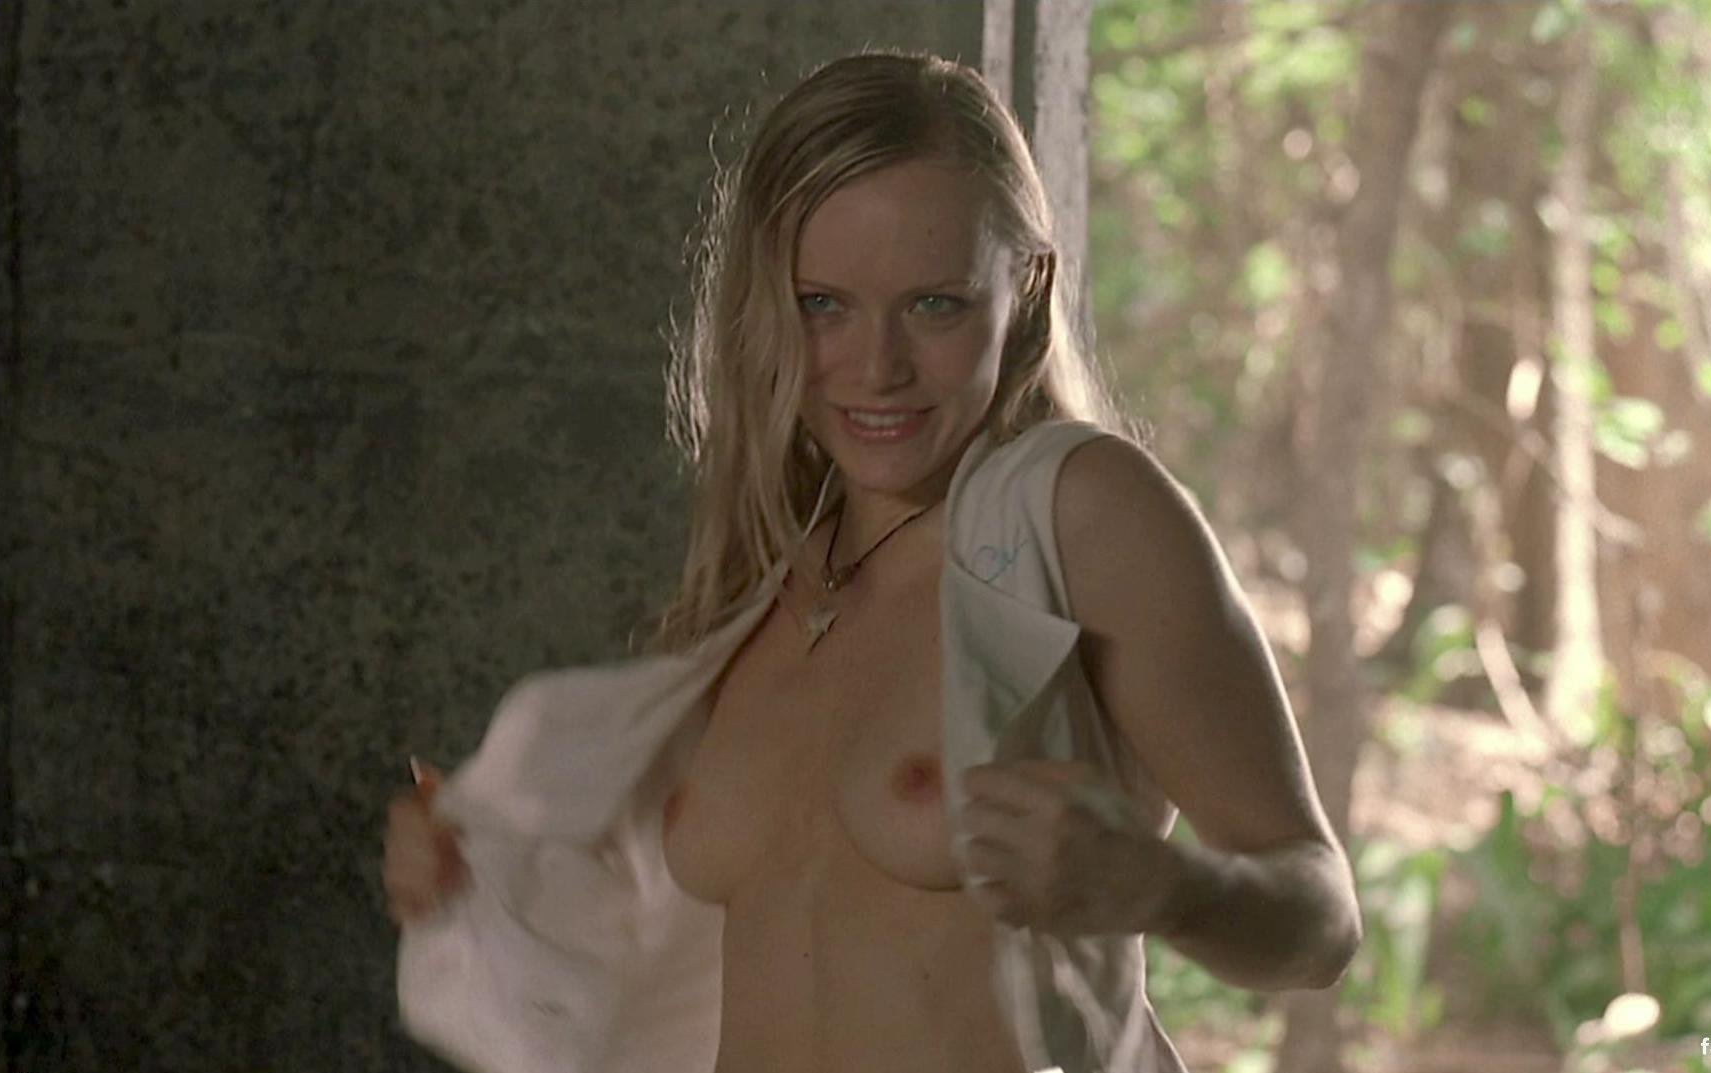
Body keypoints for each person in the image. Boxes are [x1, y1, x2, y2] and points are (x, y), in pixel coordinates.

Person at [383, 51, 1359, 1073]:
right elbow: (668, 970)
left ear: (1026, 286)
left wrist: (1163, 886)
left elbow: (1320, 918)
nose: (877, 366)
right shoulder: (761, 581)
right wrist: (477, 882)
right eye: (823, 304)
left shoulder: (1081, 515)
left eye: (934, 304)